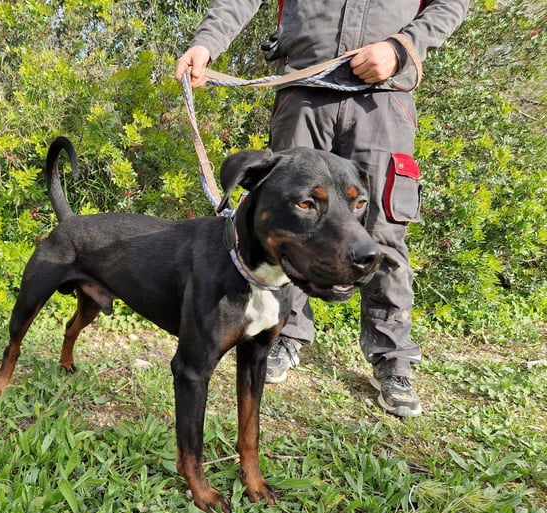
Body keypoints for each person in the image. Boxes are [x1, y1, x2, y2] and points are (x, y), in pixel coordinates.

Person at [175, 0, 470, 417]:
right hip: (304, 89)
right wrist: (207, 42)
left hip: (384, 98)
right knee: (292, 226)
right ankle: (285, 335)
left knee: (381, 230)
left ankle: (392, 360)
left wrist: (401, 48)